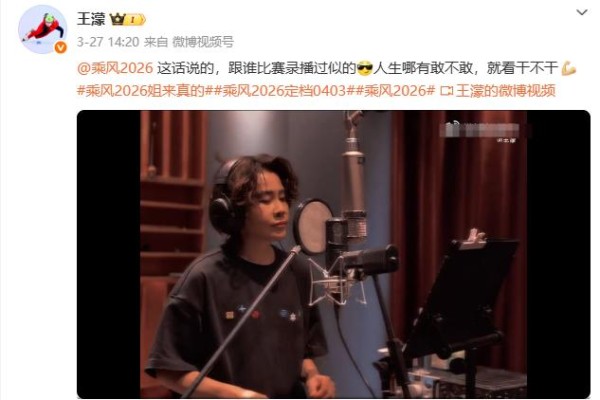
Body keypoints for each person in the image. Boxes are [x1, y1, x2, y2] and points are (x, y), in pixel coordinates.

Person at [145, 154, 336, 398]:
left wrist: (313, 375)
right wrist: (237, 395)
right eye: (265, 200)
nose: (280, 209)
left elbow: (302, 353)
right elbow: (168, 370)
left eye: (282, 198)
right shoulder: (203, 276)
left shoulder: (296, 270)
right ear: (232, 210)